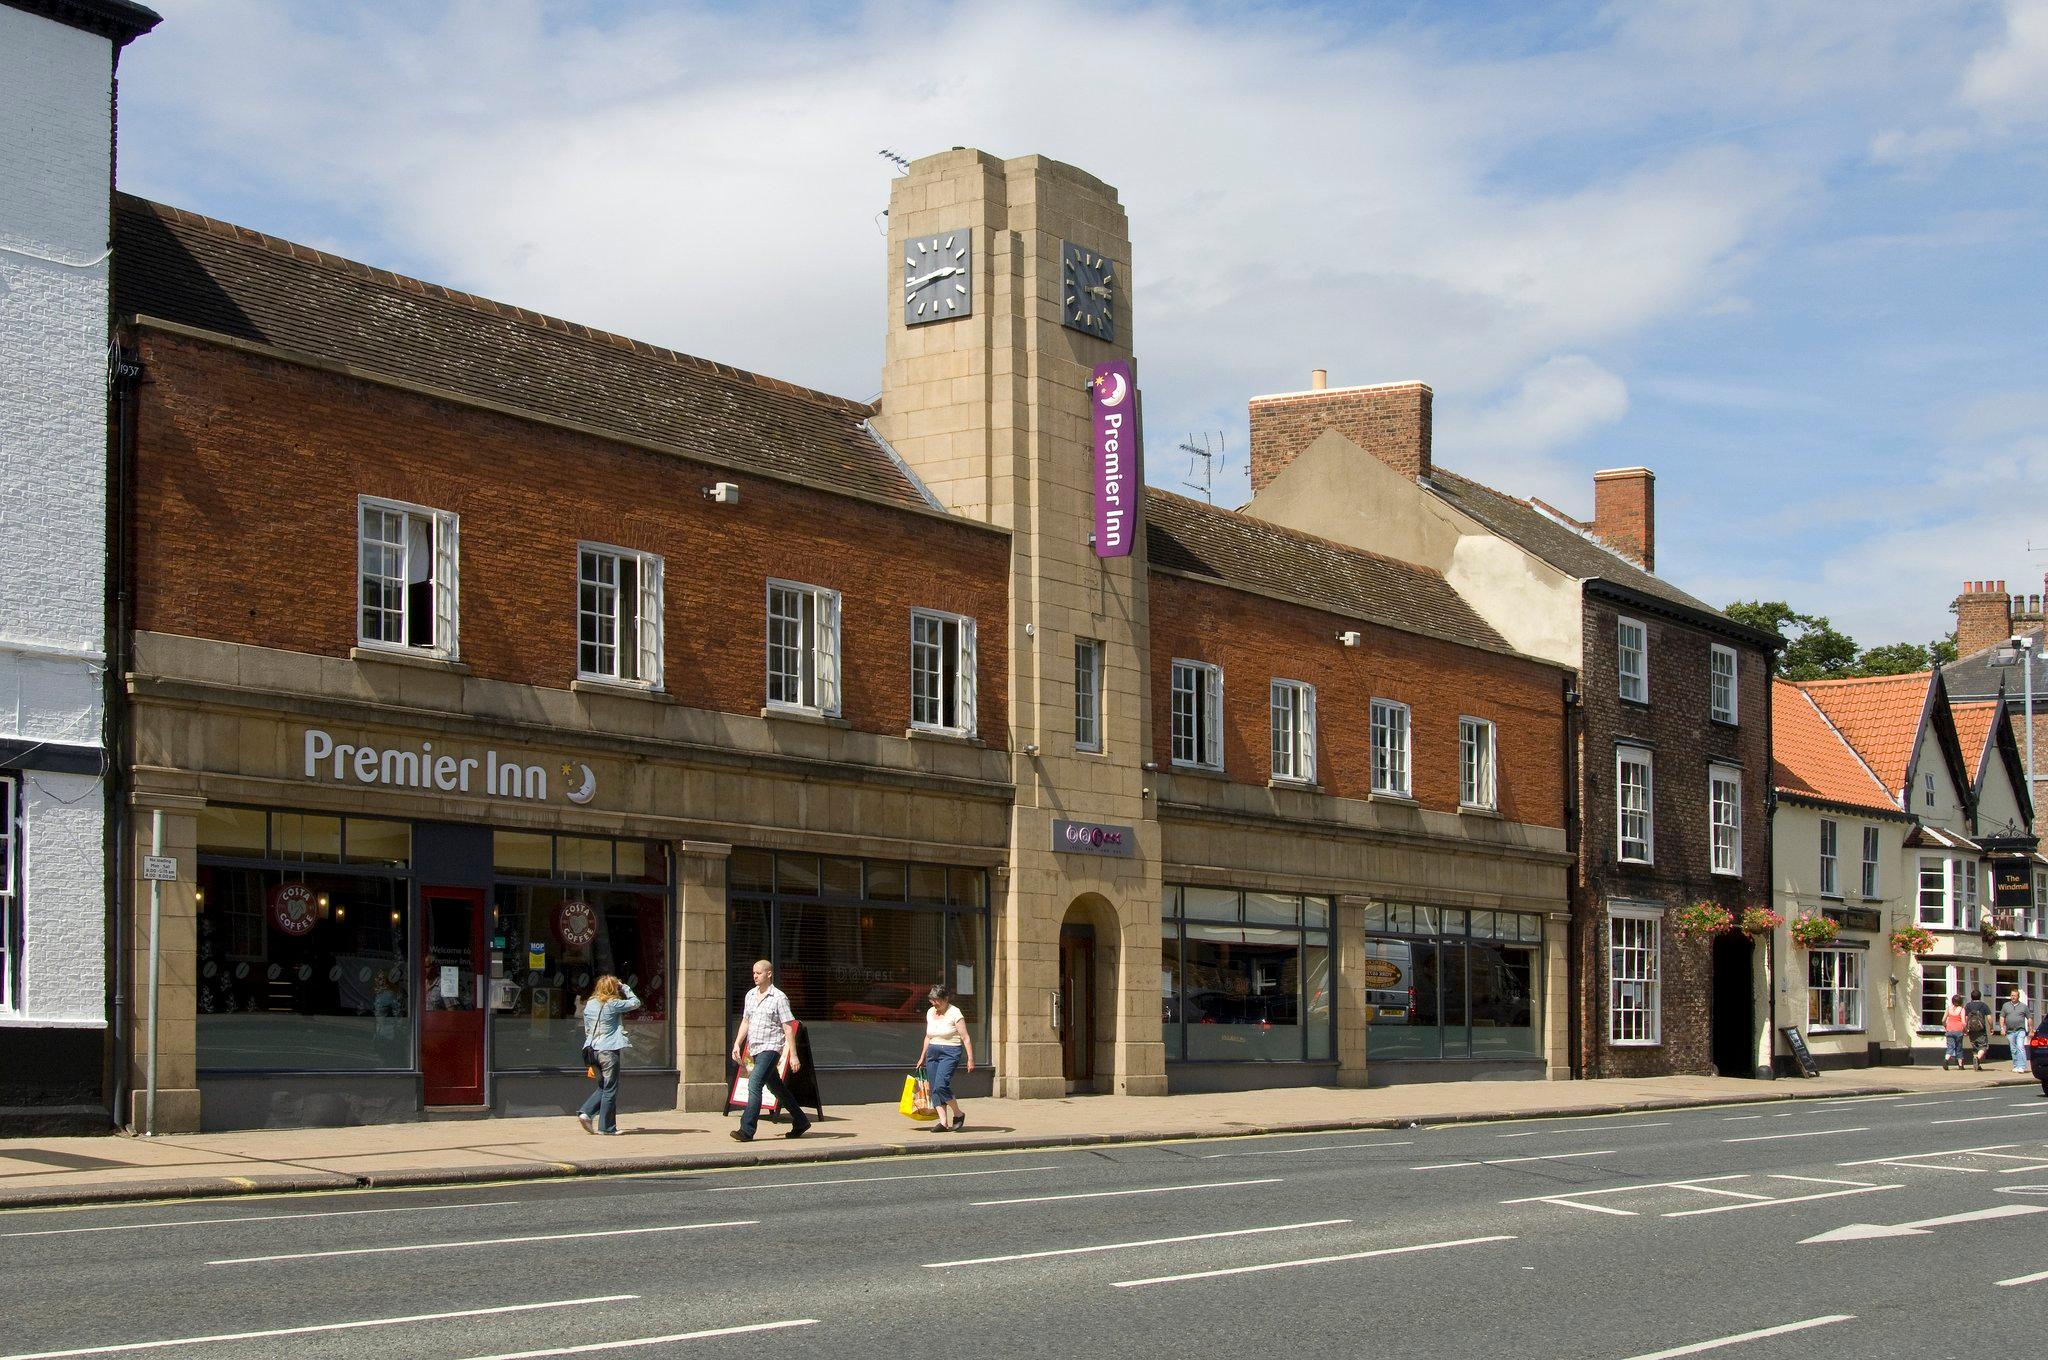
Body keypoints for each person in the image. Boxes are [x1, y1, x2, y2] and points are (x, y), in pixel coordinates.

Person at [731, 959, 810, 1141]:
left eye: (758, 973)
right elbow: (746, 1021)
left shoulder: (779, 998)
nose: (755, 976)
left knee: (754, 1084)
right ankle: (801, 1120)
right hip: (755, 1048)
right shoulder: (750, 995)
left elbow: (788, 1026)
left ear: (769, 974)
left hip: (771, 1048)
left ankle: (747, 1130)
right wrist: (737, 1043)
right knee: (776, 1087)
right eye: (753, 973)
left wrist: (794, 1055)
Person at [577, 974, 640, 1135]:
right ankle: (607, 1127)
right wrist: (624, 987)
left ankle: (586, 1113)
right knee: (610, 1088)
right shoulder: (613, 1004)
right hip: (608, 1051)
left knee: (603, 1086)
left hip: (591, 1050)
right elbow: (636, 1003)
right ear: (613, 988)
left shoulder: (590, 1004)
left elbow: (587, 1028)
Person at [916, 983, 975, 1133]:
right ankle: (943, 1122)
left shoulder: (955, 1013)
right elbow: (928, 1036)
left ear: (946, 999)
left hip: (950, 1052)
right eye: (932, 1000)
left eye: (937, 1000)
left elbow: (965, 1037)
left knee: (941, 1085)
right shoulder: (930, 1012)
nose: (934, 1003)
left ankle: (958, 1113)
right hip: (932, 1052)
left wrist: (970, 1059)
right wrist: (922, 1056)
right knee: (934, 1088)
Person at [2003, 987, 2037, 1075]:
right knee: (2013, 1049)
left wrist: (2031, 1029)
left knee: (2021, 1047)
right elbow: (2002, 1017)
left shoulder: (2023, 1006)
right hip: (2010, 1031)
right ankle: (2016, 1066)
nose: (2013, 997)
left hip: (2020, 1030)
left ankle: (2022, 1066)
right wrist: (2002, 1028)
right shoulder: (2006, 1006)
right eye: (2012, 995)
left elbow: (2029, 1018)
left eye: (2015, 996)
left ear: (2018, 997)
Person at [1965, 988, 1994, 1070]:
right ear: (1980, 997)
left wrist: (1966, 1028)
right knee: (1983, 1046)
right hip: (1981, 1030)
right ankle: (1977, 1058)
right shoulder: (1983, 1005)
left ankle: (1977, 1063)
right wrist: (1991, 1027)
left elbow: (1966, 1018)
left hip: (1971, 1030)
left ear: (1971, 997)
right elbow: (1989, 1018)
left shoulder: (1968, 1005)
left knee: (1975, 1047)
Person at [1943, 994, 1968, 1070]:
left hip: (1949, 1029)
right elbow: (1963, 1022)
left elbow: (1943, 1020)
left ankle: (1946, 1060)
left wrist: (1945, 1026)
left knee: (1950, 1046)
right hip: (1958, 1030)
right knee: (1958, 1047)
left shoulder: (1949, 1008)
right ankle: (1960, 1065)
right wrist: (1965, 1030)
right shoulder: (1962, 1009)